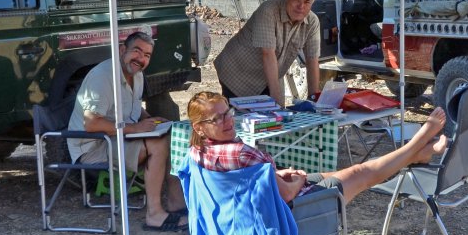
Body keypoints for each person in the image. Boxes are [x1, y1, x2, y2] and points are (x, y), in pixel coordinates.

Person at [186, 91, 448, 204]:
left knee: (349, 172)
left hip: (260, 205)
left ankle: (417, 153)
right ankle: (418, 143)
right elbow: (287, 194)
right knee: (363, 172)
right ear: (199, 127)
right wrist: (297, 181)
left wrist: (275, 174)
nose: (228, 121)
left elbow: (248, 180)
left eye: (228, 113)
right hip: (293, 212)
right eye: (217, 119)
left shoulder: (195, 154)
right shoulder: (242, 153)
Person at [68, 31, 187, 231]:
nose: (141, 59)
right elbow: (91, 124)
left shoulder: (136, 74)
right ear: (122, 50)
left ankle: (176, 204)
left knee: (172, 135)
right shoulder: (103, 76)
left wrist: (151, 120)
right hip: (94, 146)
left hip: (118, 137)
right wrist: (134, 128)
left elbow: (132, 108)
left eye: (147, 55)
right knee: (158, 144)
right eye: (137, 51)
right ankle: (154, 215)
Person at [213, 0, 322, 105]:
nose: (301, 6)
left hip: (268, 76)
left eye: (307, 2)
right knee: (242, 114)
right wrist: (277, 100)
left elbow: (312, 59)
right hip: (237, 72)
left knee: (273, 114)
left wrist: (314, 100)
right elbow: (268, 54)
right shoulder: (268, 10)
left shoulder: (312, 22)